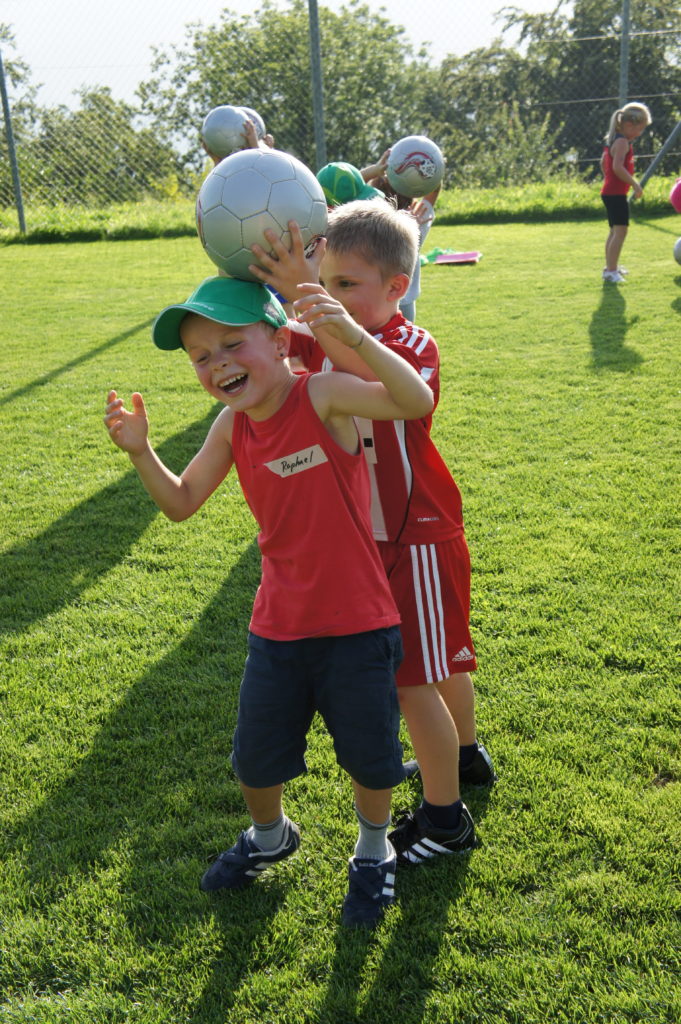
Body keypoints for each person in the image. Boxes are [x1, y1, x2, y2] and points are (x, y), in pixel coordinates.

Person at [103, 275, 434, 927]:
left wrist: (343, 334)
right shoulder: (232, 426)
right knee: (253, 759)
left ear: (280, 340)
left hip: (359, 626)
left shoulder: (322, 395)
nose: (218, 363)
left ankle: (372, 854)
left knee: (370, 759)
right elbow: (180, 503)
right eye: (201, 357)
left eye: (232, 343)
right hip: (278, 628)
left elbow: (413, 398)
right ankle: (269, 836)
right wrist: (141, 452)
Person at [250, 204, 496, 868]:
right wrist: (276, 285)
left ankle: (445, 822)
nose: (330, 299)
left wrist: (311, 304)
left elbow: (374, 374)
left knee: (416, 677)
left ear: (397, 287)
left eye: (346, 285)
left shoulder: (414, 345)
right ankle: (465, 756)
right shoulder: (319, 334)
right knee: (433, 664)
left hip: (416, 533)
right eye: (324, 283)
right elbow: (272, 343)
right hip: (378, 541)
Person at [361, 148, 440, 322]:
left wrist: (375, 169)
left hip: (370, 295)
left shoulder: (366, 215)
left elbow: (349, 185)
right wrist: (433, 165)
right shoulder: (419, 216)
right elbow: (433, 190)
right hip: (404, 298)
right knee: (401, 346)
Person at [600, 102, 652, 284]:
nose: (640, 134)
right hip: (615, 194)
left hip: (610, 192)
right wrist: (635, 184)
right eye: (640, 129)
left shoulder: (614, 139)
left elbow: (603, 163)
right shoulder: (622, 142)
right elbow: (617, 167)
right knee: (620, 232)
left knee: (615, 231)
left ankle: (610, 268)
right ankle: (611, 271)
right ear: (629, 125)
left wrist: (610, 180)